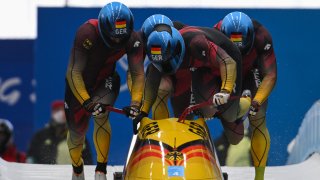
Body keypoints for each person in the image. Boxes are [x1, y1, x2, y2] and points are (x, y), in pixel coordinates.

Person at [133, 24, 252, 147]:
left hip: (227, 60)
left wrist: (225, 91)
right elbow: (152, 83)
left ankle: (245, 101)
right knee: (206, 112)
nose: (165, 65)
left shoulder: (196, 44)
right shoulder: (158, 57)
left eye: (168, 60)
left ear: (176, 48)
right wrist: (143, 112)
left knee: (230, 115)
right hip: (201, 67)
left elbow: (228, 62)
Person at [64, 2, 144, 180]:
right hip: (78, 85)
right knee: (77, 135)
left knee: (101, 114)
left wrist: (136, 103)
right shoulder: (87, 33)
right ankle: (77, 168)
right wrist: (86, 101)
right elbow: (73, 72)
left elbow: (137, 74)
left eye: (121, 37)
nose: (117, 41)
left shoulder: (132, 39)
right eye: (113, 37)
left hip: (105, 81)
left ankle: (101, 170)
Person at [215, 11, 277, 180]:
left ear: (250, 36)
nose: (238, 50)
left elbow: (270, 75)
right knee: (206, 111)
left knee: (258, 116)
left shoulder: (261, 36)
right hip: (225, 70)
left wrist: (257, 100)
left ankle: (259, 177)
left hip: (252, 71)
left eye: (241, 45)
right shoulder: (214, 35)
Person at [27, 100, 92, 165]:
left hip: (70, 174)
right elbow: (31, 158)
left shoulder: (78, 137)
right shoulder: (40, 136)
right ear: (52, 113)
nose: (61, 113)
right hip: (44, 174)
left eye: (63, 110)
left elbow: (87, 162)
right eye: (57, 110)